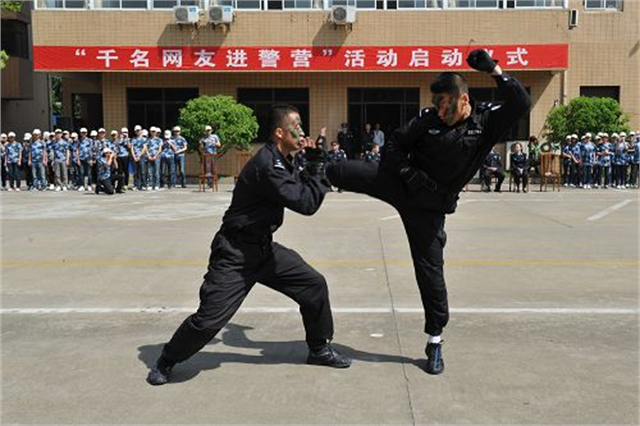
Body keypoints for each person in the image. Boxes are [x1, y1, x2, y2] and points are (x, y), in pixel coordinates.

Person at [325, 49, 531, 375]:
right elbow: (396, 144)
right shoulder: (428, 118)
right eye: (437, 105)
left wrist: (495, 70)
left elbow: (521, 104)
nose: (441, 112)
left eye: (446, 105)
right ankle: (302, 180)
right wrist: (406, 172)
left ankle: (434, 340)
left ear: (464, 100)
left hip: (429, 208)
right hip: (401, 184)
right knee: (342, 170)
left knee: (430, 274)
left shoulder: (486, 122)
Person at [147, 104, 350, 386]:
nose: (301, 132)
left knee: (313, 285)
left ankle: (319, 348)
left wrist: (314, 157)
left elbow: (301, 186)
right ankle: (167, 359)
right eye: (296, 126)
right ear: (279, 133)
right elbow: (306, 203)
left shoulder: (282, 159)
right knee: (208, 321)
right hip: (235, 254)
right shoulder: (267, 165)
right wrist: (320, 168)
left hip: (263, 249)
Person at [199, 124, 221, 189]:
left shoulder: (215, 136)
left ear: (211, 130)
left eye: (209, 130)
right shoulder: (203, 139)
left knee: (213, 168)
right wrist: (201, 145)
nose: (208, 132)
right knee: (208, 169)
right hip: (207, 155)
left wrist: (214, 143)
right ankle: (209, 183)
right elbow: (200, 148)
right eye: (207, 130)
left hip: (213, 154)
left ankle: (214, 182)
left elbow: (219, 144)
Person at [131, 125, 148, 191]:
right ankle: (136, 185)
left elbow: (144, 148)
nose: (137, 132)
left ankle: (143, 185)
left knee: (142, 171)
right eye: (136, 130)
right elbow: (132, 148)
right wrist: (134, 156)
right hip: (134, 157)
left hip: (141, 157)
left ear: (141, 131)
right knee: (135, 172)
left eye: (138, 130)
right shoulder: (133, 139)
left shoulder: (144, 139)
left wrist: (139, 156)